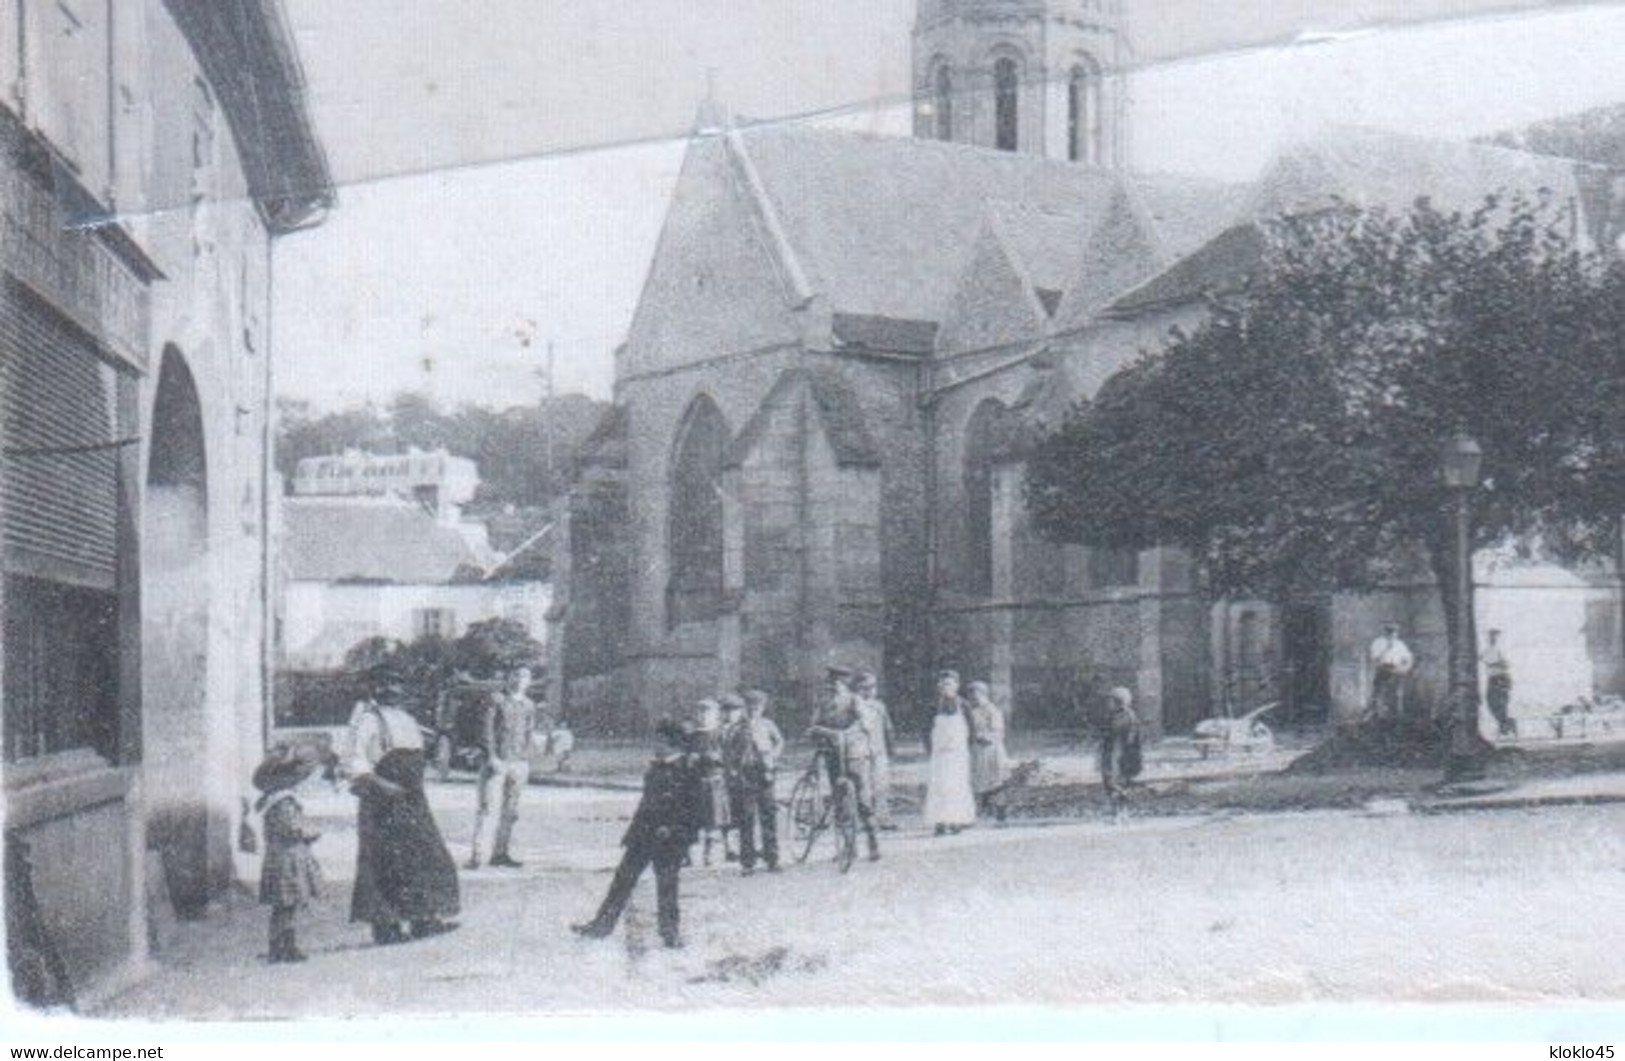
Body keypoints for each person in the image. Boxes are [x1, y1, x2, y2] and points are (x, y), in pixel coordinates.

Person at [345, 676, 460, 946]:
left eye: (397, 685)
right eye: (385, 686)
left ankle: (424, 919)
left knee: (423, 853)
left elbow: (421, 754)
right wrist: (383, 785)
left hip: (412, 797)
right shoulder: (367, 720)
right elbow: (355, 762)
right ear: (375, 689)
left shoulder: (407, 719)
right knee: (383, 861)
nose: (392, 690)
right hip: (382, 799)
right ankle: (386, 926)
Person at [571, 720, 705, 948]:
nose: (654, 744)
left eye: (659, 740)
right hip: (643, 835)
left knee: (667, 886)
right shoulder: (656, 767)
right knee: (622, 880)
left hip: (669, 839)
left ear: (672, 744)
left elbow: (694, 809)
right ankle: (601, 926)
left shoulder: (688, 770)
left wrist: (673, 829)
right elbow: (646, 804)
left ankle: (670, 933)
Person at [252, 743, 324, 964]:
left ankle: (284, 945)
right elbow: (291, 828)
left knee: (286, 906)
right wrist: (310, 832)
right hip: (287, 859)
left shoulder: (274, 799)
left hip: (281, 857)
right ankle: (282, 947)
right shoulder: (284, 801)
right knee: (286, 906)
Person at [467, 665, 537, 870]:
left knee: (511, 811)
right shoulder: (496, 700)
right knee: (488, 808)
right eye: (516, 674)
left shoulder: (529, 705)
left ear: (529, 681)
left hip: (518, 763)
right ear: (508, 677)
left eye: (525, 676)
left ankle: (500, 853)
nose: (520, 679)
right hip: (497, 761)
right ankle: (478, 856)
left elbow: (529, 732)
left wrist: (526, 759)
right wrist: (491, 756)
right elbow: (486, 729)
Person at [808, 666, 882, 861]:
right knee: (840, 800)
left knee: (863, 799)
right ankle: (849, 847)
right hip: (833, 754)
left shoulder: (854, 700)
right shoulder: (823, 703)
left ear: (846, 684)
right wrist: (821, 732)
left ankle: (873, 843)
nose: (834, 686)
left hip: (855, 755)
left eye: (839, 682)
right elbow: (814, 724)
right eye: (831, 682)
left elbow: (865, 722)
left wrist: (847, 733)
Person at [723, 689, 784, 875]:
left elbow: (779, 741)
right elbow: (727, 750)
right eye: (749, 707)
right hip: (745, 775)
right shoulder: (736, 728)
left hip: (764, 773)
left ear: (762, 708)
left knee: (768, 816)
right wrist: (731, 768)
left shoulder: (768, 725)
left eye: (756, 707)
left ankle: (772, 859)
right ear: (744, 708)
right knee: (746, 818)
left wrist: (773, 757)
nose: (752, 711)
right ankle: (747, 862)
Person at [923, 669, 977, 835]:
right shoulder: (933, 706)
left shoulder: (964, 705)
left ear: (956, 686)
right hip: (939, 755)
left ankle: (956, 821)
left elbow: (972, 730)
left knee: (958, 786)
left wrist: (968, 749)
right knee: (939, 787)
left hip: (958, 754)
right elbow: (925, 730)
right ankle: (939, 822)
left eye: (949, 683)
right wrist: (930, 749)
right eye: (943, 684)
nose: (946, 687)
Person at [691, 697, 734, 865]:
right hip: (697, 781)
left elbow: (729, 754)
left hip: (716, 781)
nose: (702, 716)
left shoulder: (721, 733)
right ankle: (691, 855)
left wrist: (715, 757)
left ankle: (722, 850)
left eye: (707, 712)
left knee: (717, 818)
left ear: (716, 715)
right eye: (700, 712)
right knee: (698, 818)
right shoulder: (694, 735)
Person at [854, 672, 897, 830]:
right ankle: (867, 820)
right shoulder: (854, 705)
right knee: (864, 787)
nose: (870, 691)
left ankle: (884, 818)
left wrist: (891, 748)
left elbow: (888, 728)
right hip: (861, 752)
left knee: (881, 786)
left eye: (873, 687)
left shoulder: (879, 706)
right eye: (865, 687)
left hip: (879, 750)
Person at [1099, 686, 1143, 820]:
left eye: (1111, 700)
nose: (1108, 703)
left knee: (1117, 783)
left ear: (1118, 701)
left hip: (1119, 755)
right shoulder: (1120, 715)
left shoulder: (1124, 716)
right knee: (1116, 782)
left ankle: (1119, 812)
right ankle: (1119, 811)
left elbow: (1119, 736)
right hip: (1117, 754)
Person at [966, 680, 1009, 817]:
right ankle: (984, 809)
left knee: (995, 780)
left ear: (984, 694)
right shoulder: (970, 711)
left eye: (976, 694)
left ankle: (1001, 811)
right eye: (971, 695)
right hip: (976, 751)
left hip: (991, 750)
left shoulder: (992, 710)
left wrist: (982, 736)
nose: (973, 698)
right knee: (980, 781)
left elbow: (998, 732)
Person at [1482, 629, 1517, 738]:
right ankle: (1507, 724)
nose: (1491, 639)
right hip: (1493, 678)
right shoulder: (1488, 649)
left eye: (1494, 637)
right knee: (1492, 703)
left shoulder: (1501, 649)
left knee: (1499, 703)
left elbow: (1506, 664)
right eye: (1490, 637)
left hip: (1501, 678)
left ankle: (1506, 725)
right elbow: (1482, 658)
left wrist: (1492, 664)